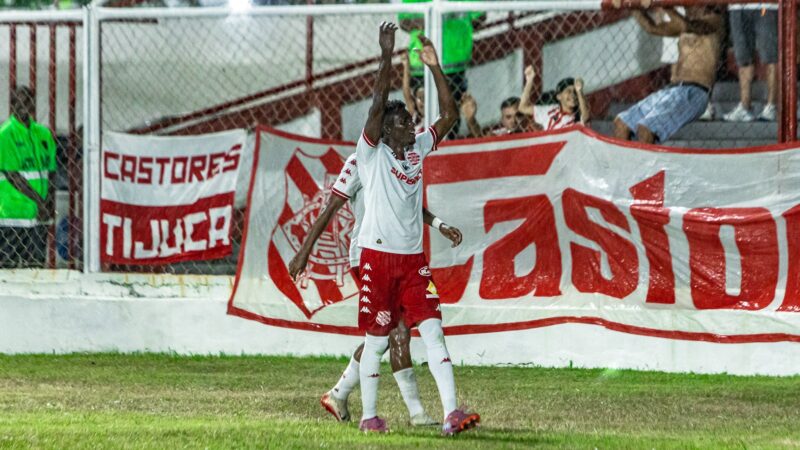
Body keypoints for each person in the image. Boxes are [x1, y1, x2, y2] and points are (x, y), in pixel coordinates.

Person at [353, 21, 479, 435]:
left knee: (435, 331)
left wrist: (436, 66)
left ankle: (451, 414)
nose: (411, 125)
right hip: (377, 256)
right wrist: (387, 55)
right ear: (386, 131)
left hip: (412, 262)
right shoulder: (371, 153)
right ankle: (370, 417)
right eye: (404, 121)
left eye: (410, 120)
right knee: (377, 339)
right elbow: (375, 108)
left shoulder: (415, 150)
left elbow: (447, 115)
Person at [286, 152, 463, 427]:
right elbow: (331, 207)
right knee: (396, 331)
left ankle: (340, 393)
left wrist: (439, 225)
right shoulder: (361, 160)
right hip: (367, 255)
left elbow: (408, 206)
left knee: (385, 334)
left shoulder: (400, 158)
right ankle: (415, 413)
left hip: (398, 256)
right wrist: (304, 252)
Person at [613, 6, 723, 144]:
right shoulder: (685, 24)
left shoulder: (714, 20)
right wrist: (634, 7)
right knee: (622, 123)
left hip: (695, 91)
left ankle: (647, 165)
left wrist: (665, 5)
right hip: (672, 89)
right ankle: (624, 165)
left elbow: (686, 25)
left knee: (646, 128)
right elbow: (651, 27)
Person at [0, 86, 56, 268]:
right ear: (11, 105)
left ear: (32, 103)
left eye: (26, 101)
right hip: (13, 217)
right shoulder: (5, 134)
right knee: (9, 270)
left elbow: (51, 172)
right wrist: (42, 204)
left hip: (39, 217)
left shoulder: (44, 134)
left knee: (36, 269)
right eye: (17, 102)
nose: (22, 106)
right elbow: (12, 175)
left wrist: (49, 205)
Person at [723, 3, 778, 122]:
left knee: (771, 56)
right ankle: (745, 106)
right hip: (737, 6)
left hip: (766, 5)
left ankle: (771, 106)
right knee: (743, 57)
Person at [519, 65, 590, 131]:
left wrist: (579, 91)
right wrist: (529, 80)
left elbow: (585, 117)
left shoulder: (578, 117)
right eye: (568, 91)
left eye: (575, 92)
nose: (573, 95)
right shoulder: (551, 111)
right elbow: (523, 107)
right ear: (559, 96)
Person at [460, 94, 534, 138]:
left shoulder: (532, 129)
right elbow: (480, 136)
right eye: (508, 117)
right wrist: (471, 119)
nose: (513, 121)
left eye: (519, 115)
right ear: (502, 120)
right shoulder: (498, 132)